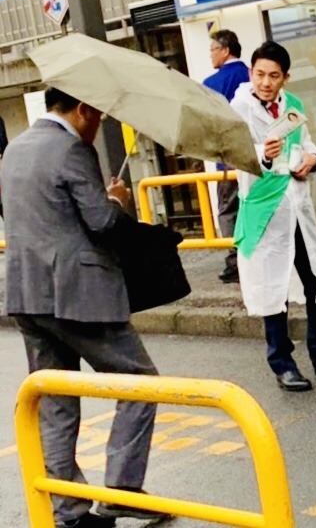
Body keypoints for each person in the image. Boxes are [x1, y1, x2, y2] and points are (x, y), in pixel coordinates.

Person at [1, 87, 169, 528]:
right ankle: (121, 490)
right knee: (140, 381)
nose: (97, 126)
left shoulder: (16, 149)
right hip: (78, 293)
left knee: (56, 399)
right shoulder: (72, 150)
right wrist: (117, 200)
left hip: (26, 291)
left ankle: (68, 512)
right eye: (97, 116)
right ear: (83, 109)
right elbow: (101, 221)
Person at [230, 41, 316, 392]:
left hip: (296, 206)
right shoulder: (239, 107)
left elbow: (306, 143)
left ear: (285, 78)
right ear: (251, 73)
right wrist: (262, 153)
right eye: (260, 74)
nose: (266, 82)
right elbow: (233, 153)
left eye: (274, 76)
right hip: (265, 211)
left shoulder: (293, 104)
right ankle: (282, 363)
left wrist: (312, 159)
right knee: (272, 286)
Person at [202, 29, 249, 284]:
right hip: (259, 154)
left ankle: (235, 261)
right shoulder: (252, 75)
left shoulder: (212, 84)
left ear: (225, 50)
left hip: (229, 158)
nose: (210, 55)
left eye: (212, 50)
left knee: (229, 209)